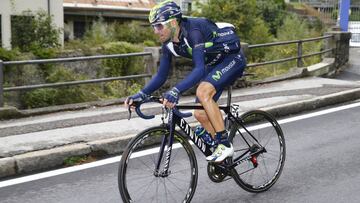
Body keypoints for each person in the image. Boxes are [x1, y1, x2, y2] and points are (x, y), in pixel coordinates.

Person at [125, 0, 246, 162]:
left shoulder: (193, 32)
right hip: (214, 64)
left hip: (232, 59)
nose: (155, 31)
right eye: (153, 26)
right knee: (200, 114)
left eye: (159, 26)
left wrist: (176, 91)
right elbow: (161, 76)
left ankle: (225, 145)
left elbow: (199, 69)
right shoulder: (168, 44)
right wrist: (141, 95)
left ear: (173, 22)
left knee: (203, 92)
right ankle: (223, 154)